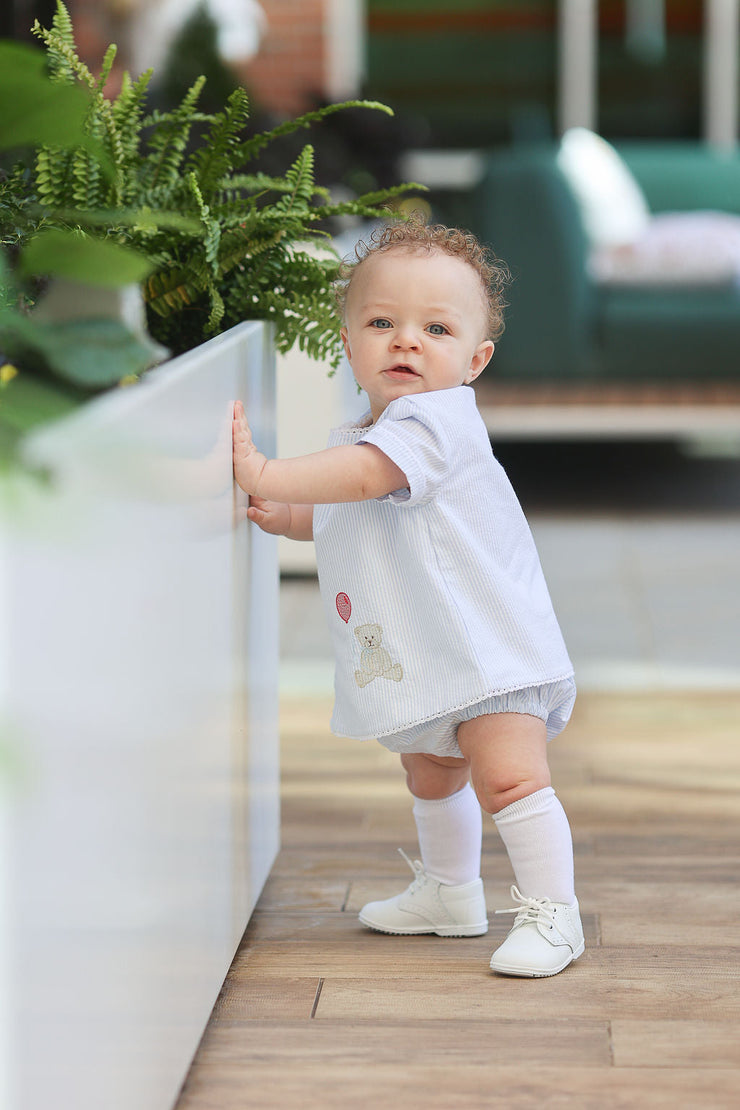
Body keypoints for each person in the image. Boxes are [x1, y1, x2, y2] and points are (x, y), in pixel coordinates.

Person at [232, 219, 585, 977]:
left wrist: (264, 472)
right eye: (382, 322)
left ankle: (556, 915)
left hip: (492, 650)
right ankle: (451, 894)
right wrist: (287, 515)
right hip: (434, 653)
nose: (405, 342)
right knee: (431, 771)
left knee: (510, 778)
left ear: (474, 360)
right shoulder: (367, 429)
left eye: (436, 328)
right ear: (348, 341)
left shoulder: (436, 421)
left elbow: (362, 479)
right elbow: (350, 508)